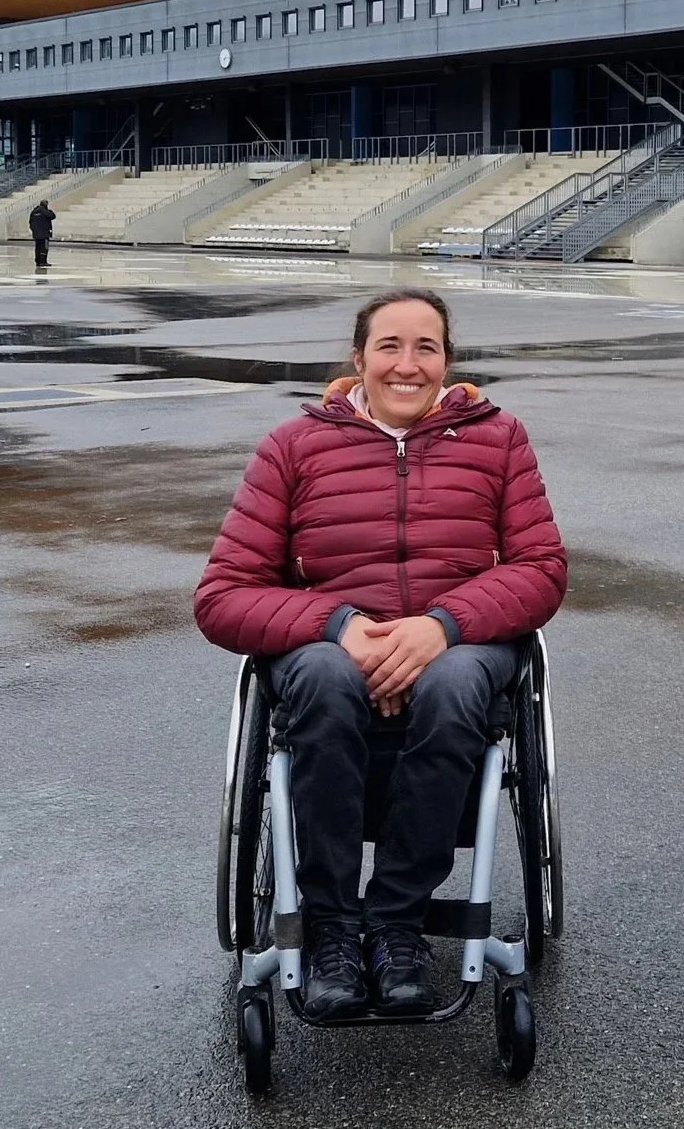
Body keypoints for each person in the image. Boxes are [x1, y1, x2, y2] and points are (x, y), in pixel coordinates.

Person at [193, 289, 568, 1021]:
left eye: (426, 346)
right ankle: (332, 925)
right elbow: (222, 595)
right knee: (327, 680)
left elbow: (541, 568)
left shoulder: (498, 439)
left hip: (459, 647)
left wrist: (441, 625)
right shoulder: (293, 446)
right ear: (358, 358)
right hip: (324, 650)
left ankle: (397, 920)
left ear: (448, 360)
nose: (407, 363)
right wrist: (340, 626)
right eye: (389, 346)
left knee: (458, 683)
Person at [27, 199, 55, 271]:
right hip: (44, 233)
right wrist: (50, 211)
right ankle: (43, 261)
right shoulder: (44, 211)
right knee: (44, 248)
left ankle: (38, 261)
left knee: (37, 248)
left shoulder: (33, 212)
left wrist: (34, 230)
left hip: (36, 234)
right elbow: (52, 216)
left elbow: (30, 223)